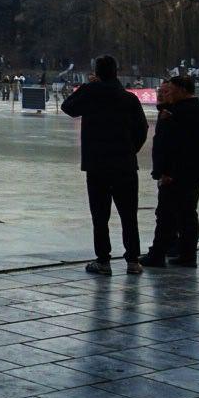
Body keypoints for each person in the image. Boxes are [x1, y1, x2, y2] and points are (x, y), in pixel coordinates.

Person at [61, 55, 150, 275]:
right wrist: (131, 150)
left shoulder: (91, 94)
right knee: (129, 215)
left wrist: (87, 87)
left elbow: (68, 107)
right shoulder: (129, 98)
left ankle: (103, 260)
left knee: (100, 216)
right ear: (116, 72)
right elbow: (142, 128)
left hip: (97, 164)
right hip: (125, 164)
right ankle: (133, 260)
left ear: (97, 73)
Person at [140, 74, 199, 268]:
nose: (167, 94)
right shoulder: (196, 110)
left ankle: (159, 254)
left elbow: (176, 146)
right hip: (192, 174)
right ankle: (186, 254)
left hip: (177, 175)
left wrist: (167, 172)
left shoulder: (181, 113)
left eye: (170, 91)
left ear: (182, 90)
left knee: (168, 215)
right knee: (185, 215)